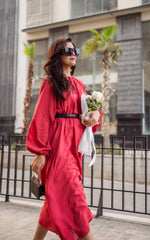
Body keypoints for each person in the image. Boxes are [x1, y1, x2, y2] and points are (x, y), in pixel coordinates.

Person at [26, 36, 101, 240]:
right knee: (75, 199)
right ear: (57, 55)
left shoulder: (79, 84)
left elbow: (91, 113)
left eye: (75, 51)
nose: (73, 55)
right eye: (68, 51)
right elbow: (42, 118)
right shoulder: (51, 84)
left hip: (73, 147)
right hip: (57, 148)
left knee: (53, 200)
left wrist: (94, 116)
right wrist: (41, 152)